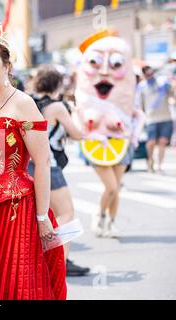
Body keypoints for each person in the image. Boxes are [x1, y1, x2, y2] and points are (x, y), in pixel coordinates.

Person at [0, 20, 67, 300]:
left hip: (15, 210)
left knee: (16, 284)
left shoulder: (23, 103)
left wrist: (42, 216)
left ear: (7, 66)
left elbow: (42, 162)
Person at [74, 29, 145, 238]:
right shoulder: (83, 100)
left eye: (115, 64)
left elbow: (139, 115)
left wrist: (134, 135)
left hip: (121, 144)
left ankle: (111, 221)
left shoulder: (129, 94)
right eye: (96, 62)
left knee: (117, 189)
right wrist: (90, 133)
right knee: (111, 187)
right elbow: (78, 120)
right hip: (98, 145)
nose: (104, 71)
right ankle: (99, 215)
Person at [28, 65, 90, 277]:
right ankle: (58, 261)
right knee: (66, 214)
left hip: (26, 165)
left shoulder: (28, 101)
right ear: (57, 84)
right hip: (49, 166)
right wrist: (76, 113)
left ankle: (54, 259)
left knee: (46, 215)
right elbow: (77, 134)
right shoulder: (56, 107)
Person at [136, 65, 174, 173]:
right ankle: (150, 161)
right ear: (144, 75)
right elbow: (139, 104)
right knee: (151, 142)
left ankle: (160, 166)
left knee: (162, 142)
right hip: (151, 118)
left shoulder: (162, 82)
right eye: (148, 74)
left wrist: (169, 88)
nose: (150, 76)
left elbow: (172, 94)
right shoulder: (142, 87)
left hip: (166, 117)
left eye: (151, 73)